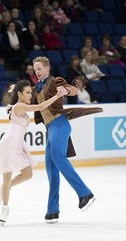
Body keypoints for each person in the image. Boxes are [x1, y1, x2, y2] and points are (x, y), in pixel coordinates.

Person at [32, 56, 102, 223]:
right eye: (35, 70)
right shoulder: (37, 88)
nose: (37, 72)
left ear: (47, 68)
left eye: (40, 69)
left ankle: (85, 193)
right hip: (50, 129)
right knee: (51, 169)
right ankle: (52, 210)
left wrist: (65, 91)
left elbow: (73, 90)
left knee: (58, 157)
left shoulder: (55, 81)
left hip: (60, 123)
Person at [0, 79, 67, 225]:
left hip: (18, 143)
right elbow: (41, 106)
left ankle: (0, 188)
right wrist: (57, 96)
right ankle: (4, 209)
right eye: (27, 93)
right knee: (7, 177)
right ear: (20, 94)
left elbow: (17, 105)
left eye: (30, 93)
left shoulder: (18, 106)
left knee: (27, 174)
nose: (30, 95)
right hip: (9, 143)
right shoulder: (19, 106)